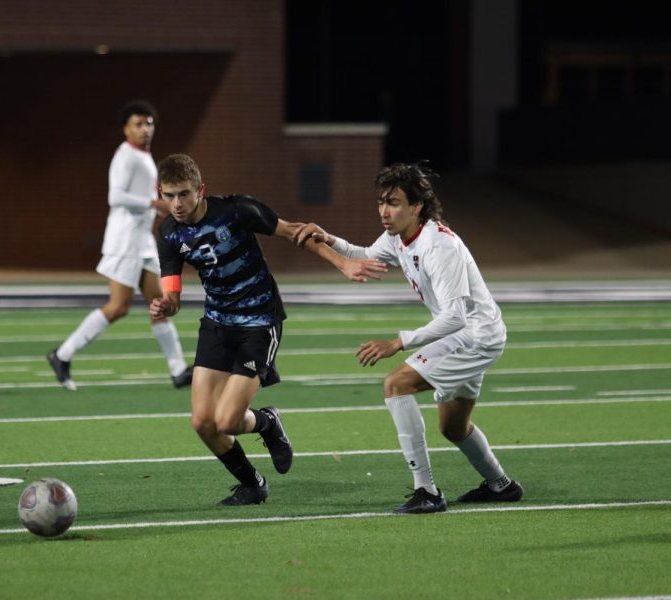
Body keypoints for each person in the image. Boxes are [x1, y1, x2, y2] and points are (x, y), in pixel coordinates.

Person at [150, 153, 386, 506]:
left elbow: (297, 232)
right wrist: (166, 304)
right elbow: (173, 293)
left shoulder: (237, 210)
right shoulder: (168, 232)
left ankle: (268, 422)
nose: (177, 204)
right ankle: (252, 484)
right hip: (217, 323)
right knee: (203, 422)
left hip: (259, 321)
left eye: (183, 194)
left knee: (228, 420)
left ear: (201, 190)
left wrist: (343, 263)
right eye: (169, 196)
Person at [294, 161, 522, 514]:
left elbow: (456, 316)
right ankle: (501, 485)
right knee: (453, 427)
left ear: (417, 207)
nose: (385, 211)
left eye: (395, 202)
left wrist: (398, 342)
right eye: (382, 202)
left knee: (396, 384)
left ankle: (427, 492)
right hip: (468, 334)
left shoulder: (438, 246)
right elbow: (365, 254)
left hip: (475, 335)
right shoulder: (399, 235)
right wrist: (330, 239)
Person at [47, 101, 191, 391]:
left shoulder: (143, 156)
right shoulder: (125, 156)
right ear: (126, 129)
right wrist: (153, 203)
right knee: (118, 307)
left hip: (142, 243)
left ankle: (178, 370)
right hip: (125, 241)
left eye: (149, 124)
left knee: (162, 303)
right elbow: (115, 196)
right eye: (138, 124)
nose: (145, 129)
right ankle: (62, 355)